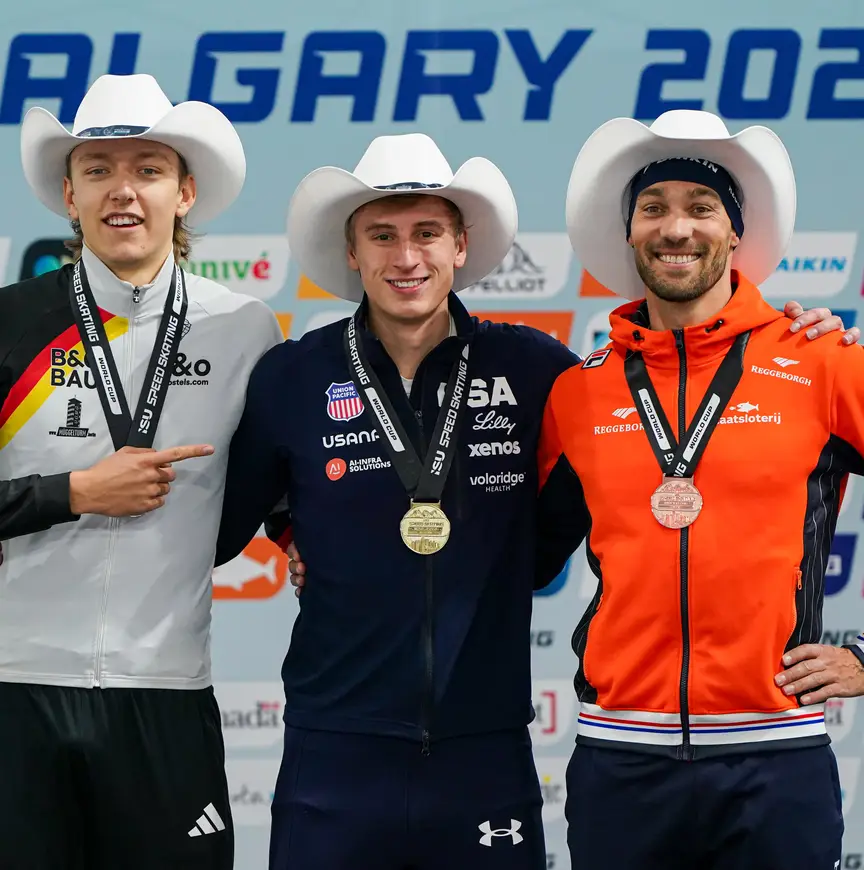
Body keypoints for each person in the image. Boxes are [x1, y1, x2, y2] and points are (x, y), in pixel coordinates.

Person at [215, 131, 852, 870]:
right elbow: (235, 513)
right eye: (381, 236)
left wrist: (797, 338)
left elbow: (557, 533)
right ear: (352, 252)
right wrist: (301, 545)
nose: (406, 256)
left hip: (488, 749)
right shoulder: (293, 376)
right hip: (337, 746)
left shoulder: (539, 370)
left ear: (461, 245)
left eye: (427, 233)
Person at [536, 108, 864, 869]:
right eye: (653, 209)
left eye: (700, 208)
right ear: (628, 232)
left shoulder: (822, 363)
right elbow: (509, 553)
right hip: (620, 760)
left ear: (734, 233)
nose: (675, 228)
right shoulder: (578, 394)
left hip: (774, 762)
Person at [0, 73, 282, 869]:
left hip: (165, 690)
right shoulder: (11, 319)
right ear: (69, 193)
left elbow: (279, 475)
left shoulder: (245, 327)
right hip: (16, 684)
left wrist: (302, 538)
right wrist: (72, 493)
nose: (123, 192)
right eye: (98, 170)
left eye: (148, 170)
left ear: (185, 192)